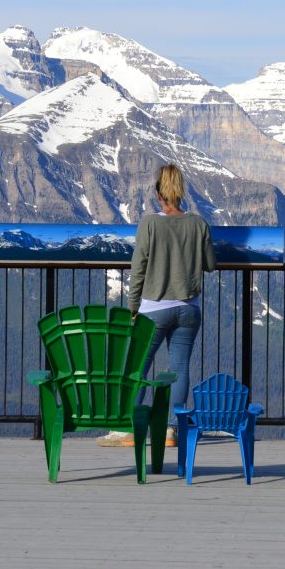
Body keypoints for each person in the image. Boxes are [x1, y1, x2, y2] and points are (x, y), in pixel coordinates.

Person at [97, 164, 217, 447]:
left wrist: (133, 305)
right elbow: (210, 264)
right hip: (189, 309)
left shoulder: (150, 224)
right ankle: (171, 430)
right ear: (181, 192)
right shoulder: (199, 224)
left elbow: (138, 267)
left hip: (153, 308)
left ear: (157, 193)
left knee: (136, 367)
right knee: (179, 369)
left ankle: (128, 427)